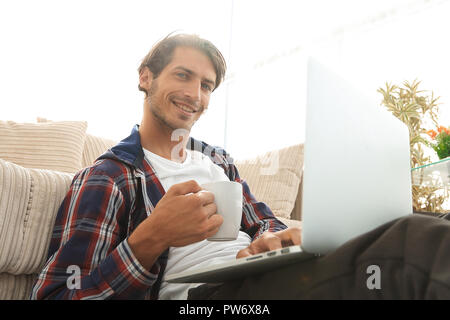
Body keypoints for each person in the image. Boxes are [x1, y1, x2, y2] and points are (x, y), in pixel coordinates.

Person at [31, 33, 450, 300]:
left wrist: (277, 239)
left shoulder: (217, 160)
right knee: (416, 243)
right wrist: (151, 237)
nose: (195, 94)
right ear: (146, 77)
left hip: (264, 275)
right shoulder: (110, 176)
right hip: (205, 299)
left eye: (207, 85)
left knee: (430, 220)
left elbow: (263, 222)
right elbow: (55, 294)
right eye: (182, 75)